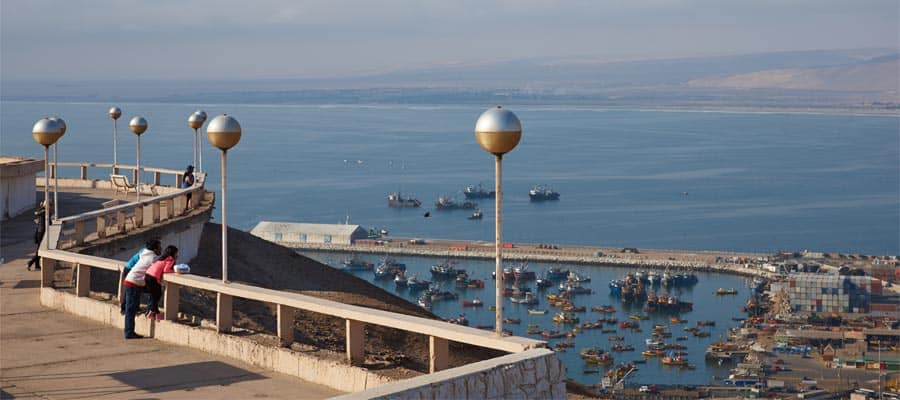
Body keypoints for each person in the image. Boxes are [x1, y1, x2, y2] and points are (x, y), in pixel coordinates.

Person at [122, 240, 162, 339]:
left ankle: (150, 310)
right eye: (159, 247)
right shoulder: (152, 258)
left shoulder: (144, 253)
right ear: (155, 249)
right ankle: (129, 332)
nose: (161, 249)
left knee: (154, 291)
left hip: (132, 280)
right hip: (134, 283)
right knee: (130, 309)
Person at [144, 245, 178, 320]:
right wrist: (174, 271)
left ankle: (152, 312)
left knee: (154, 295)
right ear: (173, 253)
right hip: (153, 278)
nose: (177, 255)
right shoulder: (170, 259)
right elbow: (166, 270)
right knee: (156, 295)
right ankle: (156, 313)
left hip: (148, 275)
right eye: (176, 253)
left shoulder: (162, 258)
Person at [26, 203, 47, 271]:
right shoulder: (44, 211)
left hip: (39, 231)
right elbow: (47, 222)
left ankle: (37, 265)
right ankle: (30, 262)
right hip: (41, 232)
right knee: (40, 250)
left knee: (39, 249)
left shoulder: (42, 210)